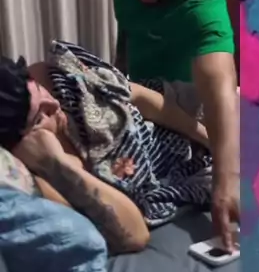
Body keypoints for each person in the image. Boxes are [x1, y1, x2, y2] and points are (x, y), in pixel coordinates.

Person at [113, 0, 239, 250]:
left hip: (184, 105)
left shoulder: (203, 3)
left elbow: (219, 85)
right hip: (139, 90)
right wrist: (119, 69)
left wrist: (226, 182)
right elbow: (128, 23)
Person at [0, 52, 212, 256]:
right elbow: (135, 236)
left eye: (39, 90)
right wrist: (58, 163)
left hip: (185, 112)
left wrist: (211, 141)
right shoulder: (41, 172)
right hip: (186, 169)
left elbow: (139, 96)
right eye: (40, 117)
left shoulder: (49, 77)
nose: (54, 105)